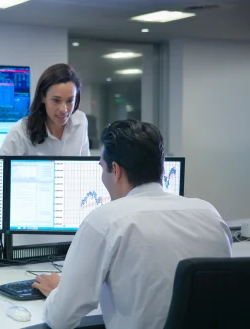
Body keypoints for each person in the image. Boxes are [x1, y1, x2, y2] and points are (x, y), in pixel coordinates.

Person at [32, 119, 232, 329]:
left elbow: (61, 319)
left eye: (102, 167)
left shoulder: (106, 220)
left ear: (115, 170)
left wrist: (57, 291)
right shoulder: (209, 214)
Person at [0, 63, 90, 251]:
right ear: (43, 97)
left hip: (69, 227)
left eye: (70, 100)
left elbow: (84, 174)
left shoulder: (80, 122)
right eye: (56, 100)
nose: (64, 109)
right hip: (28, 228)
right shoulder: (20, 131)